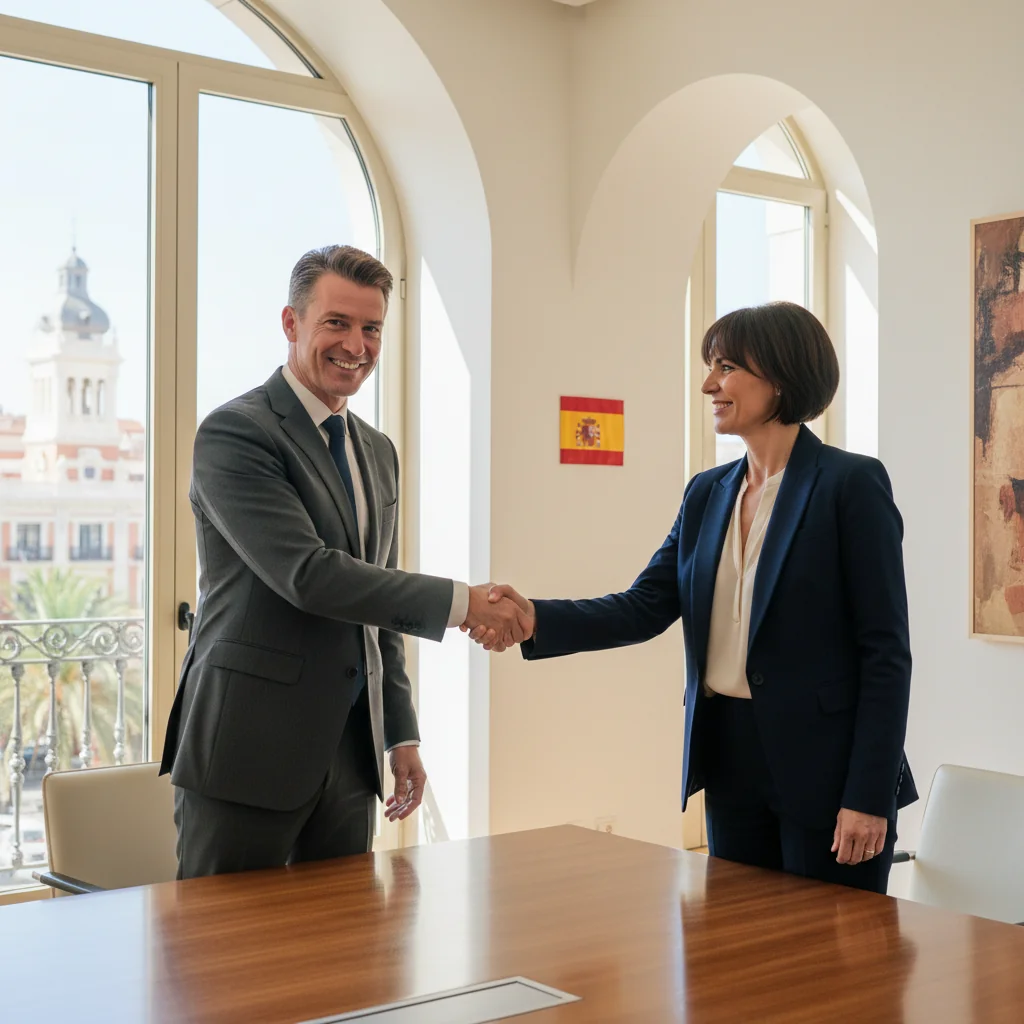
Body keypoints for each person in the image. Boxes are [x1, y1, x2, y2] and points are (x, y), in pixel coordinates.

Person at [472, 302, 917, 894]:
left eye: (726, 367)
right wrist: (533, 619)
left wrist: (868, 794)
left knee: (829, 945)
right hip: (729, 756)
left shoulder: (850, 484)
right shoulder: (707, 493)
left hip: (828, 769)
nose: (709, 384)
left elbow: (886, 652)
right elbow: (644, 606)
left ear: (779, 377)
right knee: (735, 940)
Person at [160, 244, 523, 878]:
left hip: (352, 755)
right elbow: (308, 576)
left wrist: (399, 732)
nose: (357, 345)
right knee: (225, 940)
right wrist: (465, 602)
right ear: (291, 322)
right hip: (246, 749)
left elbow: (375, 597)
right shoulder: (236, 433)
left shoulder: (377, 451)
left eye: (371, 328)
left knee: (344, 938)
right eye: (337, 322)